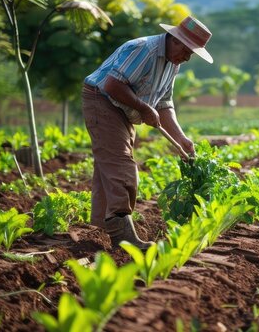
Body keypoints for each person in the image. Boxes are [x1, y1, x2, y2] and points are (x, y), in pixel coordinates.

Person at [81, 16, 213, 250]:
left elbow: (164, 104)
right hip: (102, 101)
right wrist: (143, 108)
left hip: (122, 110)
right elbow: (112, 85)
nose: (187, 58)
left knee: (107, 166)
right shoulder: (145, 50)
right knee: (121, 166)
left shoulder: (173, 63)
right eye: (188, 51)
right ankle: (123, 236)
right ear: (176, 41)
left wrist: (181, 138)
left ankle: (99, 229)